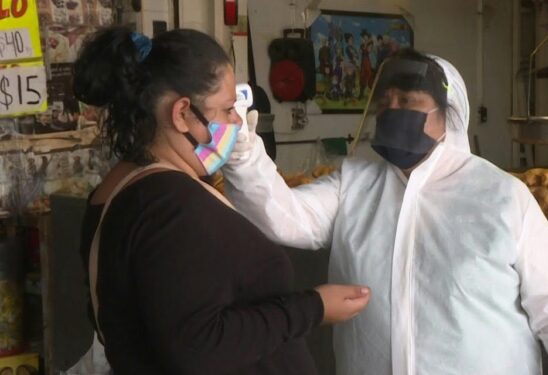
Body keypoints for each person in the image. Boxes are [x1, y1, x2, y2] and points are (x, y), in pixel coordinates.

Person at [222, 49, 548, 374]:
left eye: (408, 102)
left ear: (448, 112)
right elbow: (282, 216)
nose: (393, 111)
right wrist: (241, 152)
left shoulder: (502, 197)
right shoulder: (355, 183)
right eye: (385, 102)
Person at [70, 27, 370, 374]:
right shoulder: (171, 204)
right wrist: (315, 307)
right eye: (227, 108)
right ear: (182, 113)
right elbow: (199, 345)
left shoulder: (118, 188)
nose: (236, 121)